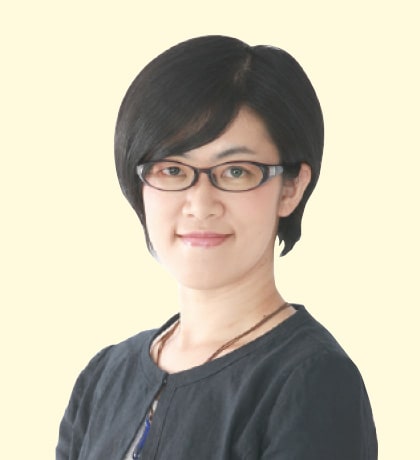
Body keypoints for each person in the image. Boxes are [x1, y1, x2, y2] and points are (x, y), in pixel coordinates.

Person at [56, 35, 378, 459]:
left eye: (236, 171)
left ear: (291, 188)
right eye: (173, 170)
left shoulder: (312, 380)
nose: (201, 204)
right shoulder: (104, 377)